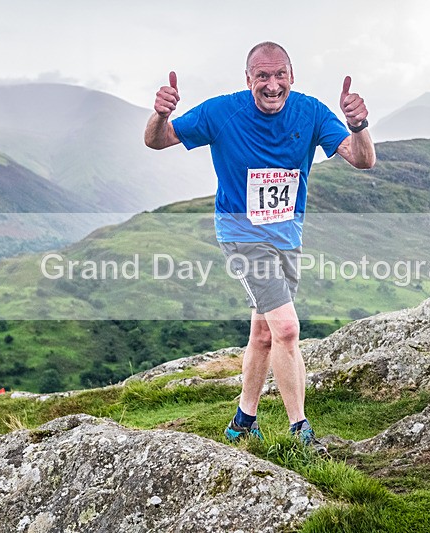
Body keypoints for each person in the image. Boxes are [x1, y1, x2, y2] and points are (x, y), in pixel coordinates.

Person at [145, 41, 375, 454]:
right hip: (241, 234)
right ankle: (300, 433)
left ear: (292, 76)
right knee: (286, 328)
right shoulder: (221, 111)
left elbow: (362, 160)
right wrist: (161, 114)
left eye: (279, 74)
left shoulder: (311, 112)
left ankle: (242, 423)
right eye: (262, 76)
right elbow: (157, 141)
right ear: (248, 78)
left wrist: (359, 126)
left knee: (265, 331)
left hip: (287, 236)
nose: (272, 85)